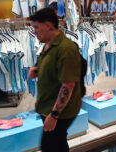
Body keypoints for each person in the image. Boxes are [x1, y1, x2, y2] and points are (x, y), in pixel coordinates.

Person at [28, 8, 82, 152]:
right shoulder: (48, 44)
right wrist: (38, 70)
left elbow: (68, 85)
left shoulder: (66, 49)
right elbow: (54, 68)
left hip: (60, 112)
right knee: (58, 144)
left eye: (36, 27)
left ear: (48, 25)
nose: (34, 31)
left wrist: (54, 115)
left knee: (49, 147)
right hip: (48, 107)